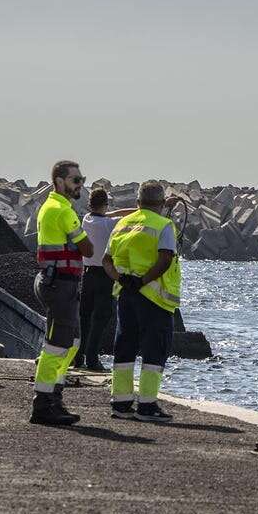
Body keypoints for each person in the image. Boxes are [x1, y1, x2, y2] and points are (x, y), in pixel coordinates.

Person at [103, 180, 181, 423]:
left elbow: (107, 261)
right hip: (154, 297)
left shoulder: (122, 224)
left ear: (137, 202)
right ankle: (147, 405)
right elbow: (165, 258)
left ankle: (121, 402)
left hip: (126, 295)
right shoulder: (164, 224)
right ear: (161, 204)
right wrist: (144, 280)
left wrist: (123, 279)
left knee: (124, 345)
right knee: (154, 348)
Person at [29, 160, 93, 425]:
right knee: (56, 345)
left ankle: (54, 396)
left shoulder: (51, 207)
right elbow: (88, 249)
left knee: (70, 342)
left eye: (82, 179)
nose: (80, 185)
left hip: (56, 281)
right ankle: (43, 403)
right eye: (76, 180)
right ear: (59, 182)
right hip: (60, 284)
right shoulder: (62, 211)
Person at [77, 187, 132, 372]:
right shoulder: (111, 224)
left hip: (87, 273)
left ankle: (78, 356)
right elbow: (131, 216)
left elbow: (105, 214)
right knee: (101, 318)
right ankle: (92, 358)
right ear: (105, 205)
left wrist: (108, 211)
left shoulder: (87, 219)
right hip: (105, 275)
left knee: (84, 316)